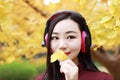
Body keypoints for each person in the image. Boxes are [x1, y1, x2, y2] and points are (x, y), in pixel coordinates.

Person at [36, 10, 113, 80]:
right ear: (47, 42)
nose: (62, 45)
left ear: (84, 40)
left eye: (70, 37)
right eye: (55, 37)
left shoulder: (104, 78)